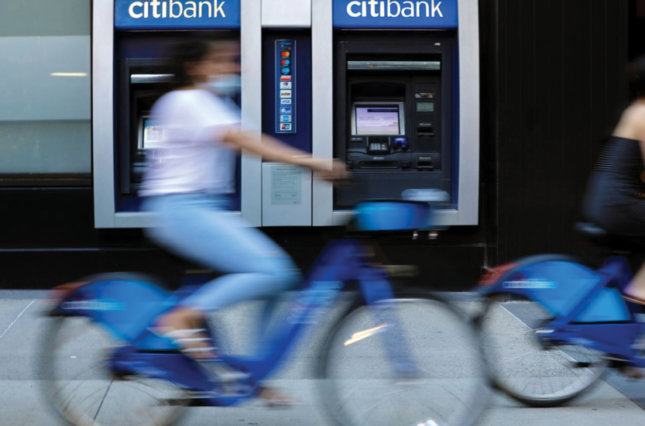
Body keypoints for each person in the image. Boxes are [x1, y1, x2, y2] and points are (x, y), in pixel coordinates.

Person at [139, 39, 348, 399]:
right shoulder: (187, 100)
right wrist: (312, 163)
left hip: (202, 208)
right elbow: (244, 142)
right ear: (195, 67)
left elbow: (251, 139)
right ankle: (183, 317)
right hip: (180, 208)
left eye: (233, 61)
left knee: (281, 280)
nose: (233, 68)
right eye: (222, 61)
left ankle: (252, 370)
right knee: (273, 270)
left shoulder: (213, 103)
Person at [582, 55, 645, 304]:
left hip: (605, 201)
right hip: (617, 206)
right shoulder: (643, 112)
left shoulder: (633, 109)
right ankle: (640, 291)